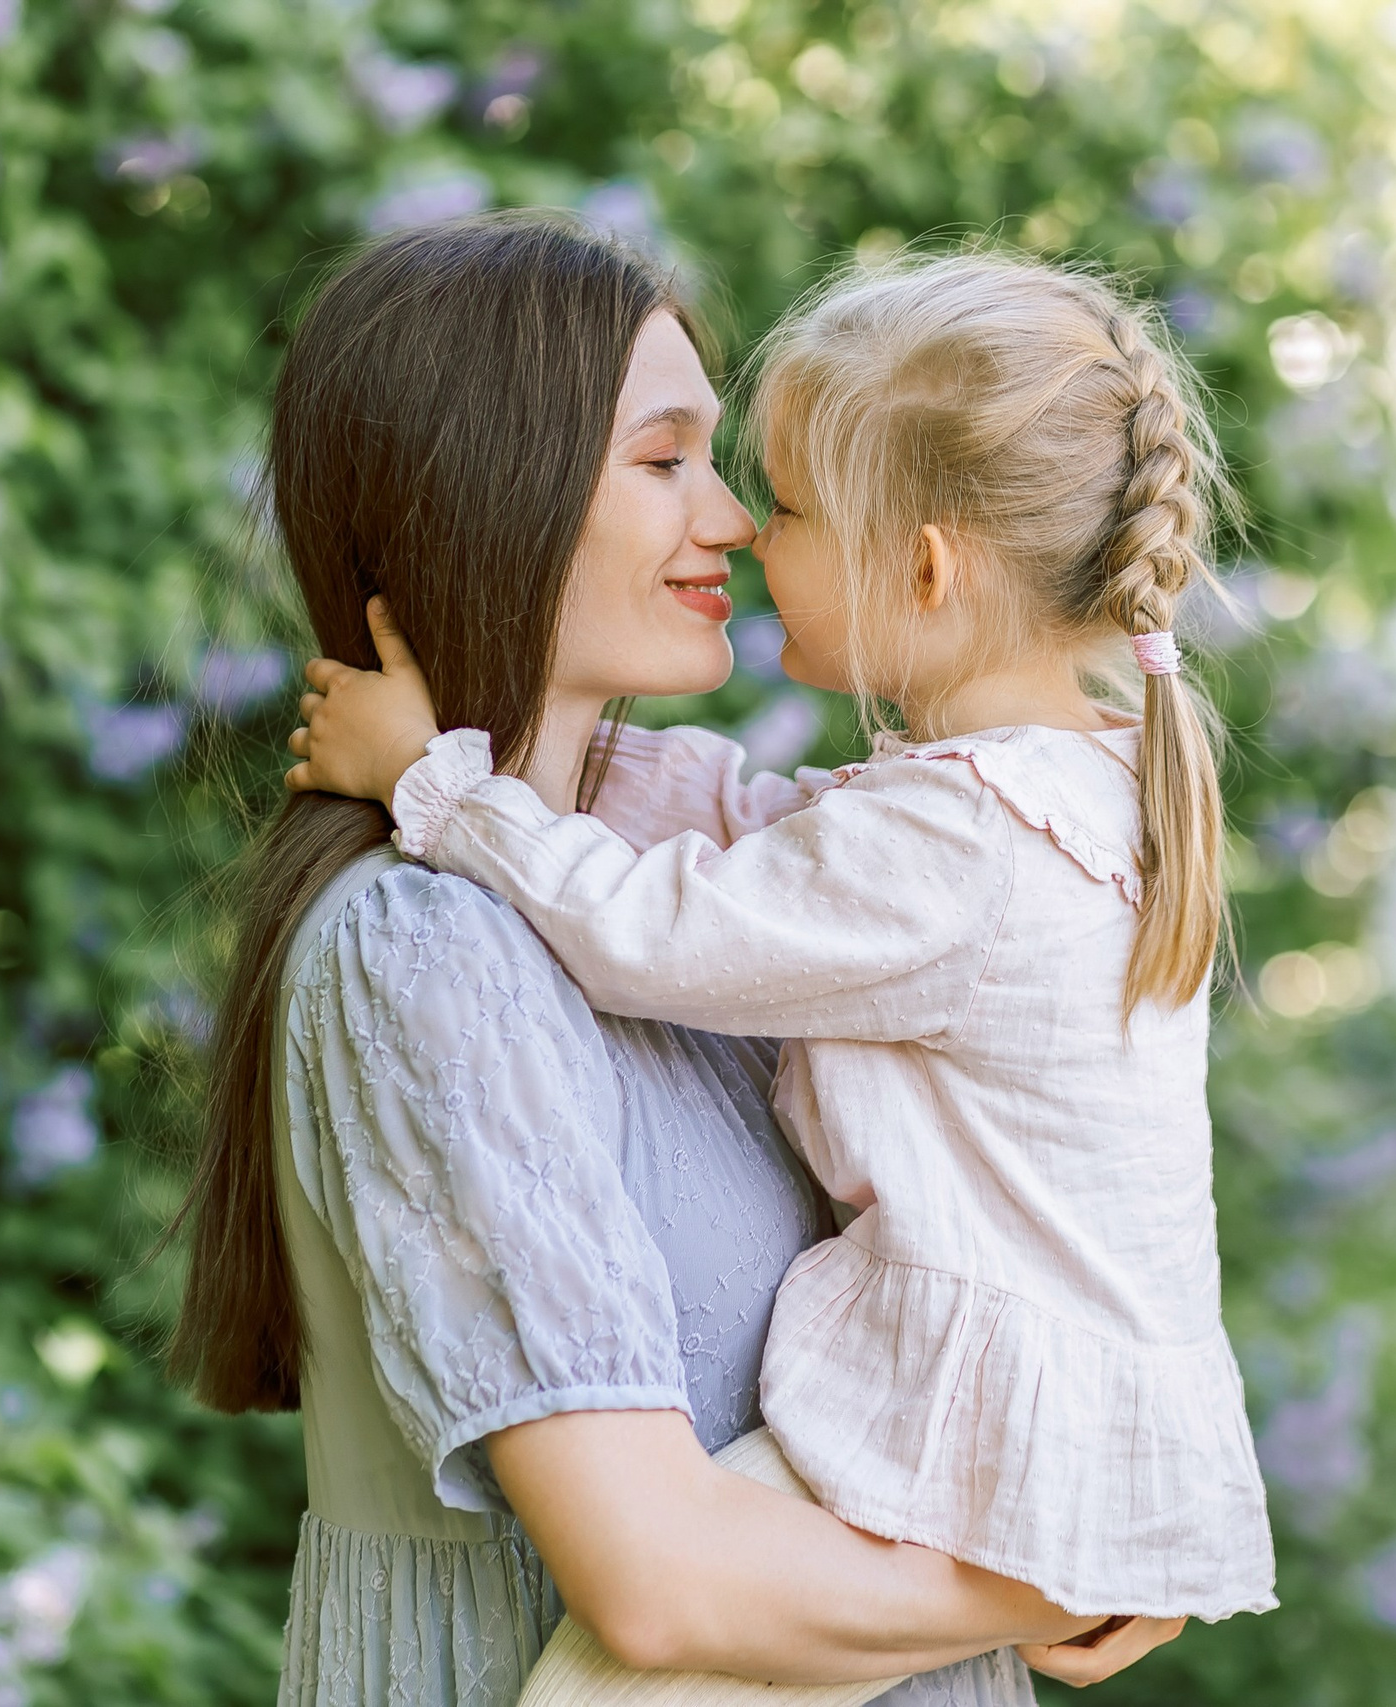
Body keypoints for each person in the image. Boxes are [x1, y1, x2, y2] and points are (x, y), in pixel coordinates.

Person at [165, 216, 1172, 1707]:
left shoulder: (698, 888)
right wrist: (1053, 1566)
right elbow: (655, 1584)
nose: (736, 522)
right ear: (485, 491)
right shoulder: (429, 948)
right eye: (665, 461)